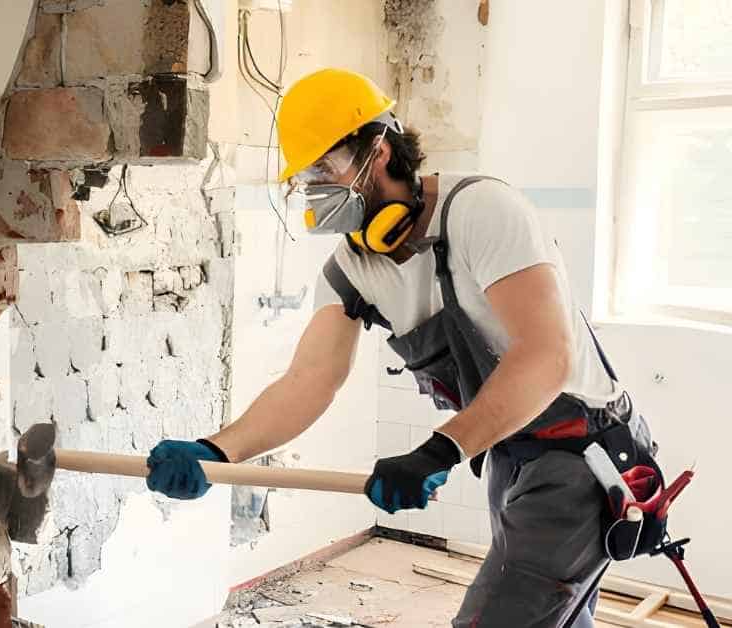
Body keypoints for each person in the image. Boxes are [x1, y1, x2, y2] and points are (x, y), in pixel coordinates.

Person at [145, 68, 656, 627]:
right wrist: (218, 451)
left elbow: (547, 356)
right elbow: (309, 380)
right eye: (306, 175)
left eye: (327, 165)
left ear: (380, 152)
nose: (315, 186)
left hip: (582, 455)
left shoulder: (480, 211)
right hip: (510, 454)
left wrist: (437, 452)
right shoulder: (352, 268)